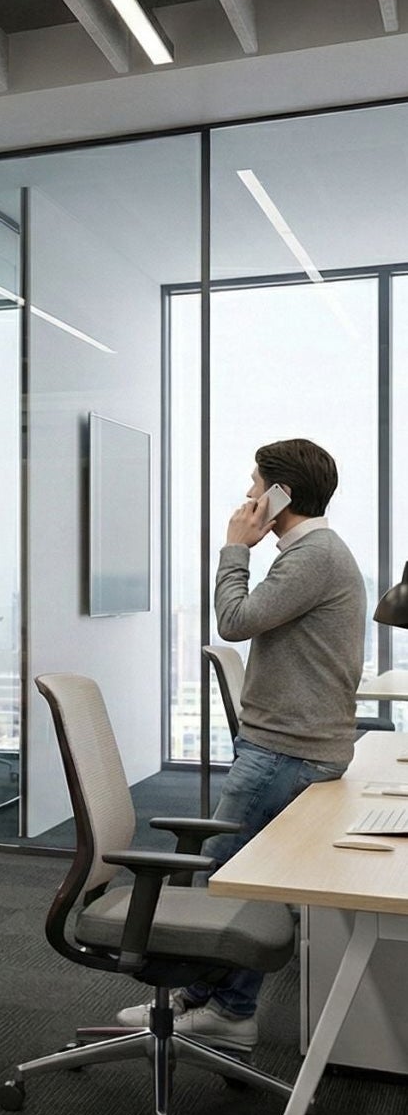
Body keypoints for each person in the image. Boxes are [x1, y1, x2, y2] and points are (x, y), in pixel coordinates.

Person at [113, 439, 365, 1048]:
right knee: (242, 877)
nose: (249, 495)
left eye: (256, 484)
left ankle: (228, 1011)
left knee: (227, 881)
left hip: (285, 750)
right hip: (291, 743)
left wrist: (234, 547)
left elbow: (233, 620)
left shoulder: (312, 555)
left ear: (280, 495)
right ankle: (211, 997)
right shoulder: (315, 553)